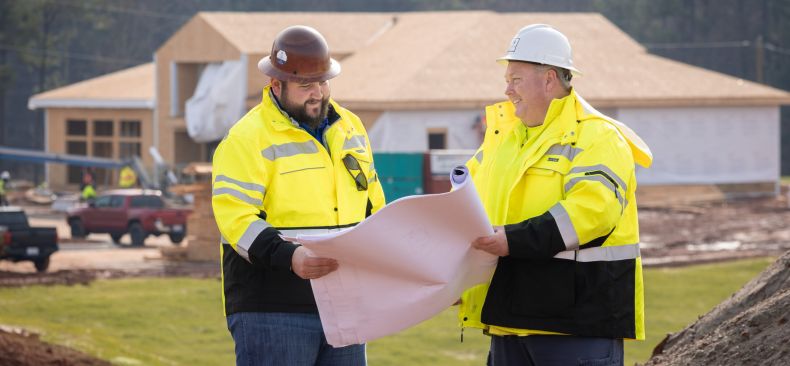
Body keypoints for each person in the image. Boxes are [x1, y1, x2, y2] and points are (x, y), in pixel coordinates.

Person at [459, 24, 653, 365]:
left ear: (549, 79)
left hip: (575, 328)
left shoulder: (598, 137)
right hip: (509, 321)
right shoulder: (504, 139)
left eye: (516, 79)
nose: (507, 90)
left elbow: (591, 212)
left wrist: (512, 240)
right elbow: (461, 202)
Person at [211, 25, 386, 366]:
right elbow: (236, 220)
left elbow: (372, 205)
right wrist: (290, 257)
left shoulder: (350, 127)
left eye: (323, 81)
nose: (318, 92)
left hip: (344, 304)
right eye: (306, 85)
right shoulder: (247, 138)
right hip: (273, 309)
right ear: (275, 84)